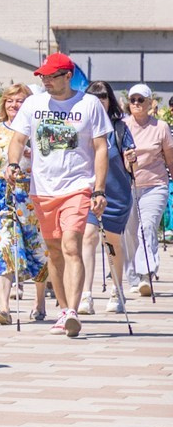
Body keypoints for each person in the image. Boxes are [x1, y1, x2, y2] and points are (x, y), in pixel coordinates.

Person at [4, 53, 110, 337]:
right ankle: (63, 310)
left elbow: (101, 147)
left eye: (52, 76)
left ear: (68, 76)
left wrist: (99, 188)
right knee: (53, 251)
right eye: (44, 77)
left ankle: (73, 310)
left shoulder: (89, 104)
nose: (46, 81)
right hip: (43, 189)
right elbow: (18, 139)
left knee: (71, 245)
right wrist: (13, 164)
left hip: (78, 186)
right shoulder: (34, 104)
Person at [0, 82, 48, 327]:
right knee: (2, 245)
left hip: (31, 193)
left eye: (19, 100)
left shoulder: (39, 129)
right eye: (9, 101)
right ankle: (4, 307)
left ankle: (39, 301)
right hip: (1, 192)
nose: (14, 105)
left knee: (37, 248)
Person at [92, 82, 135, 315]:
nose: (99, 102)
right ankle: (85, 294)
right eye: (94, 97)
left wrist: (130, 157)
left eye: (103, 97)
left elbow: (129, 155)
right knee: (86, 239)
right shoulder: (80, 126)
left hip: (116, 194)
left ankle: (117, 290)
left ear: (110, 101)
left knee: (111, 243)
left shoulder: (119, 128)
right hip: (86, 193)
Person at [126, 85, 169, 300]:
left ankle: (146, 274)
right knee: (129, 233)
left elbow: (170, 157)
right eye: (132, 99)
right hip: (127, 186)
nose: (136, 103)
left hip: (155, 185)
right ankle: (133, 277)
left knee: (147, 227)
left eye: (140, 99)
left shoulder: (161, 127)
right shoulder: (122, 126)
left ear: (150, 102)